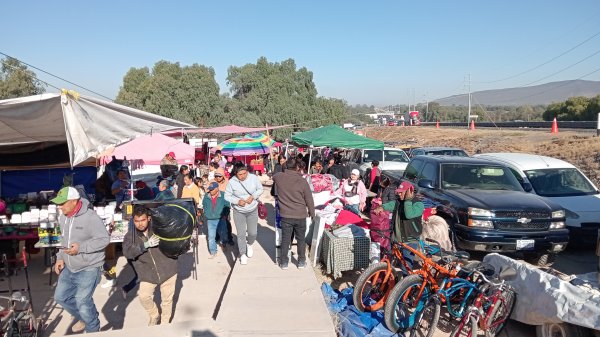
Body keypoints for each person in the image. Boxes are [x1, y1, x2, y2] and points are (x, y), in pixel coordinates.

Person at [52, 187, 110, 333]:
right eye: (59, 204)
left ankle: (93, 328)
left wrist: (81, 247)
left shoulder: (90, 217)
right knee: (61, 298)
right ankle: (86, 318)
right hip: (69, 267)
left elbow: (104, 239)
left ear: (73, 201)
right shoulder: (63, 217)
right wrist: (60, 258)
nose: (60, 207)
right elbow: (63, 240)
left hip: (89, 266)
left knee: (82, 301)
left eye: (62, 203)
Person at [123, 206, 177, 326]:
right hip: (147, 273)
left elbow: (175, 240)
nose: (140, 224)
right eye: (136, 221)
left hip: (168, 269)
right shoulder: (130, 236)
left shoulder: (160, 229)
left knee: (167, 300)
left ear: (149, 218)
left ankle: (164, 324)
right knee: (144, 297)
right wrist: (144, 245)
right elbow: (127, 253)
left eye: (142, 220)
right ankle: (154, 315)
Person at [273, 160, 315, 270]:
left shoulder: (279, 177)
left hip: (286, 215)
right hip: (300, 215)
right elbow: (309, 199)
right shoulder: (302, 181)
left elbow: (275, 175)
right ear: (297, 167)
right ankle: (301, 261)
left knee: (286, 239)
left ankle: (284, 263)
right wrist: (312, 212)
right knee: (301, 239)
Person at [225, 164, 264, 265]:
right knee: (241, 234)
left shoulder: (254, 178)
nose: (242, 176)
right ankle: (242, 254)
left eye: (244, 173)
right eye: (240, 174)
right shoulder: (232, 182)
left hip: (252, 209)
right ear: (235, 174)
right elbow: (227, 196)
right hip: (239, 211)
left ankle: (250, 244)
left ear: (247, 171)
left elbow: (260, 189)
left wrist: (253, 196)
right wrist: (237, 201)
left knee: (253, 233)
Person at [202, 182, 230, 258]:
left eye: (212, 189)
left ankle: (224, 243)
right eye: (210, 190)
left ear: (217, 188)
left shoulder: (223, 195)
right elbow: (204, 205)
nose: (210, 191)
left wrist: (224, 216)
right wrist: (206, 213)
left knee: (224, 234)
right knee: (211, 237)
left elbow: (227, 206)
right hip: (210, 219)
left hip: (221, 219)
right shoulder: (206, 195)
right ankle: (213, 251)